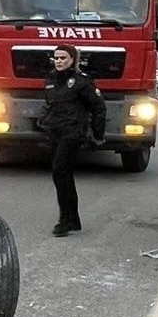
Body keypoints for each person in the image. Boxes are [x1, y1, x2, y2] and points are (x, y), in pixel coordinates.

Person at [39, 44, 106, 237]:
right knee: (62, 175)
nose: (59, 61)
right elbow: (50, 104)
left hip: (73, 132)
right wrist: (43, 123)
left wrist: (98, 135)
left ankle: (66, 220)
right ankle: (72, 219)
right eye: (56, 58)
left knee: (60, 171)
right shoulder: (51, 78)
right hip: (55, 132)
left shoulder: (81, 82)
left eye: (63, 58)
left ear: (73, 60)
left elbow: (98, 108)